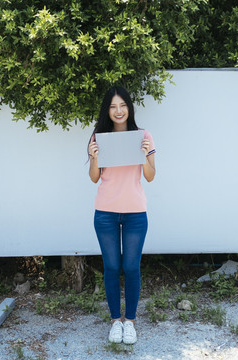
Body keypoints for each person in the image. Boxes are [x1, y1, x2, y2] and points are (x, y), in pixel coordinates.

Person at [87, 86, 156, 344]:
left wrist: (145, 155)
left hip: (135, 213)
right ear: (108, 110)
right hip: (105, 212)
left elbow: (150, 175)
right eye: (113, 106)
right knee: (112, 267)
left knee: (131, 266)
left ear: (129, 108)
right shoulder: (98, 136)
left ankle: (131, 321)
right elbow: (94, 178)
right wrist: (94, 157)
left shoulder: (142, 136)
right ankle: (116, 321)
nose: (119, 111)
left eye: (123, 105)